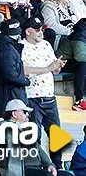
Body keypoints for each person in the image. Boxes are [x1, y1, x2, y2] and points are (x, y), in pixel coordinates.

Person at [19, 16, 65, 165]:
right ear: (28, 31)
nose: (40, 32)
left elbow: (54, 69)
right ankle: (37, 167)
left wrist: (58, 66)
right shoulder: (21, 46)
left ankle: (57, 166)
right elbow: (24, 70)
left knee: (56, 134)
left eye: (41, 29)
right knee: (34, 135)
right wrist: (49, 68)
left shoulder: (46, 44)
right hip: (32, 98)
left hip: (49, 96)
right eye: (37, 30)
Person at [0, 100, 56, 176]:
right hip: (21, 170)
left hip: (37, 168)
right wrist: (10, 163)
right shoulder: (2, 129)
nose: (27, 115)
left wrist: (49, 165)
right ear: (14, 114)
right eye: (25, 112)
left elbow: (39, 150)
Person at [0, 19, 31, 118]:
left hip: (9, 93)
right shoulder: (7, 49)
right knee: (12, 126)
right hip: (10, 94)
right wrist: (25, 81)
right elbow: (10, 74)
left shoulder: (7, 47)